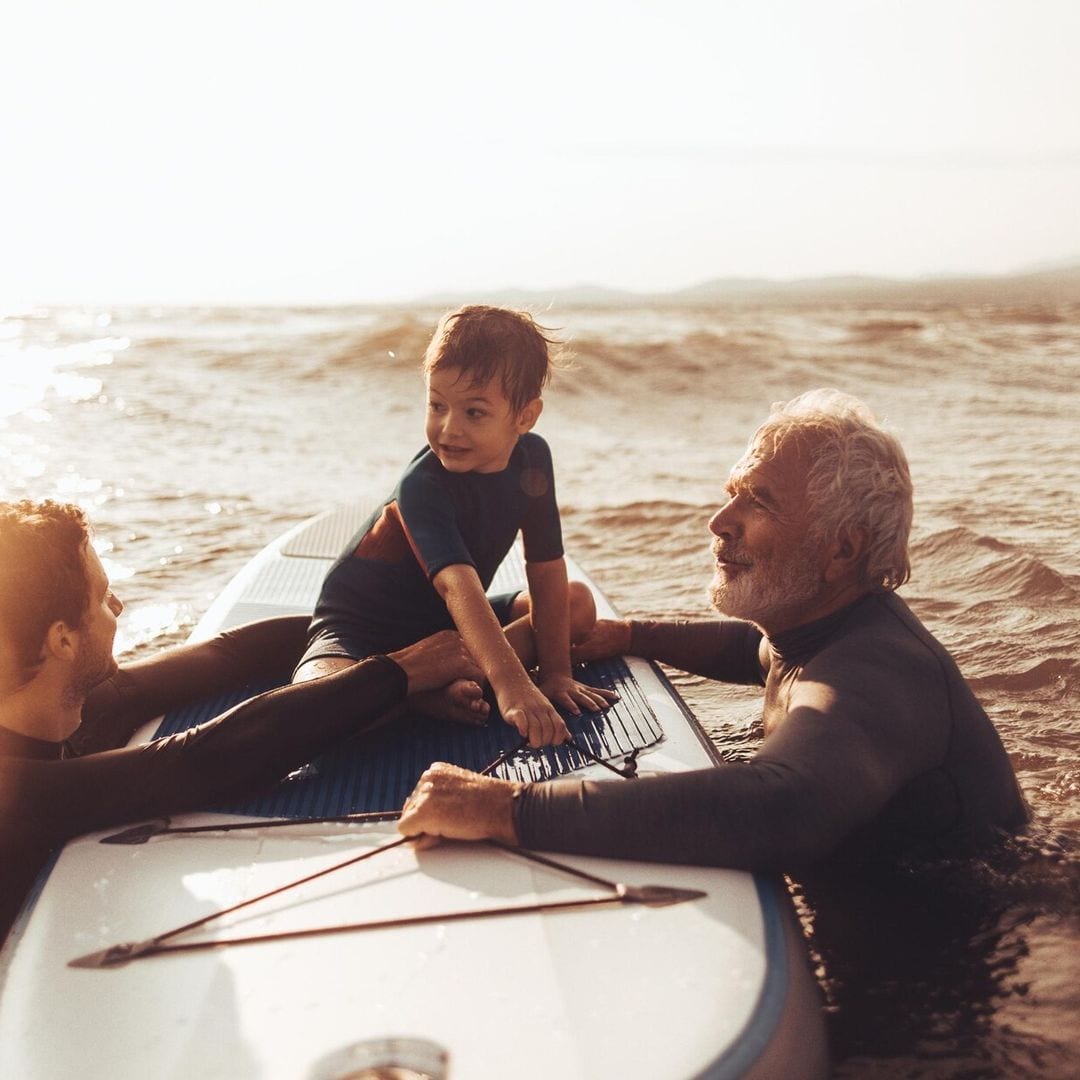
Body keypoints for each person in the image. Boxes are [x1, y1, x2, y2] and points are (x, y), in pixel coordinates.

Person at [397, 389, 1030, 870]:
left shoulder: (877, 672)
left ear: (842, 549)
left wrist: (506, 808)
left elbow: (784, 805)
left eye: (760, 502)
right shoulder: (823, 632)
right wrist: (634, 636)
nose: (719, 521)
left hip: (951, 955)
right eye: (733, 492)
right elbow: (758, 655)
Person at [0, 498, 482, 943]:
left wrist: (442, 635)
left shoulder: (68, 706)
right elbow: (202, 760)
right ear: (61, 641)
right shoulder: (16, 791)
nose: (119, 606)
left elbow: (233, 654)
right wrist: (400, 673)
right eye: (104, 598)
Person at [293, 305, 615, 747]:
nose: (448, 428)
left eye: (474, 412)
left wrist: (556, 674)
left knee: (576, 603)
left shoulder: (533, 459)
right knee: (312, 705)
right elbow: (458, 588)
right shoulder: (422, 485)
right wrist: (513, 685)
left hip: (450, 631)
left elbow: (546, 568)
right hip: (362, 635)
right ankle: (417, 695)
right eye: (437, 405)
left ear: (525, 416)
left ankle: (437, 683)